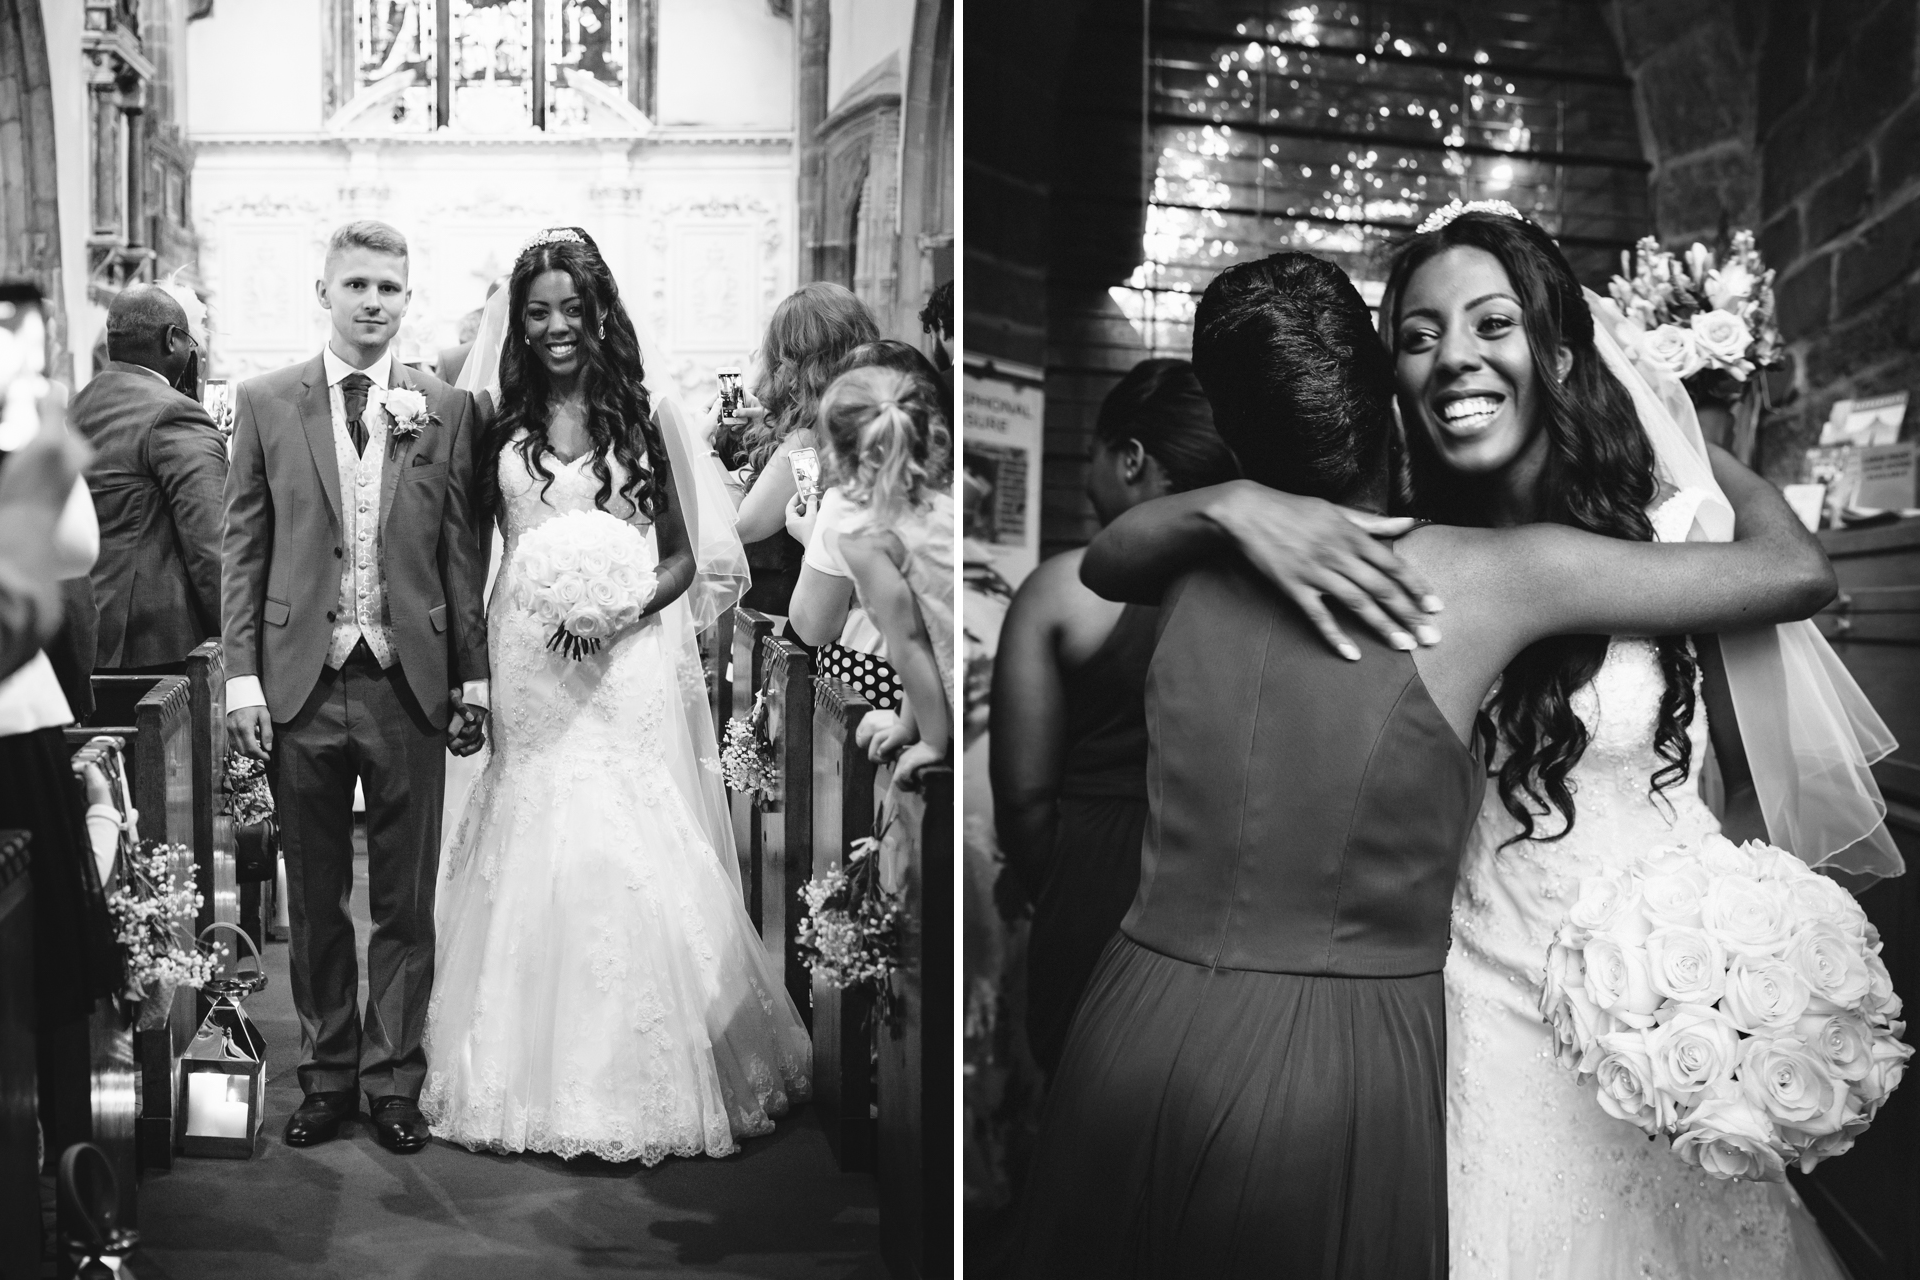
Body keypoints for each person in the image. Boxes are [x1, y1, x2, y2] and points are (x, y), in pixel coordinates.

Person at [1013, 251, 1837, 1277]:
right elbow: (1796, 568)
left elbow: (1102, 556)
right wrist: (1678, 428)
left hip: (1128, 1016)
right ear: (1380, 389)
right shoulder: (1493, 575)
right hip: (1331, 1057)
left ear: (1231, 430)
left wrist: (1224, 505)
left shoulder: (1181, 561)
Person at [425, 226, 809, 1164]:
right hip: (527, 656)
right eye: (538, 312)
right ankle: (518, 1069)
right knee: (529, 818)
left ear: (601, 311)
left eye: (572, 307)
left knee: (628, 823)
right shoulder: (496, 420)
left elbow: (690, 555)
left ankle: (650, 1063)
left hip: (622, 653)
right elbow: (471, 554)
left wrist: (624, 606)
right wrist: (474, 670)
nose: (557, 326)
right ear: (517, 323)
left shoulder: (645, 413)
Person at [221, 219, 492, 1155]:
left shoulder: (445, 408)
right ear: (325, 293)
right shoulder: (263, 401)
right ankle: (327, 1073)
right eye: (358, 286)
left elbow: (463, 553)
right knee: (319, 896)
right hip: (301, 681)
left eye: (390, 288)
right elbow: (243, 549)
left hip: (407, 680)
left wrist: (475, 678)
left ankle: (393, 1079)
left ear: (408, 299)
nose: (374, 302)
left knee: (405, 901)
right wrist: (241, 682)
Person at [989, 358, 1237, 1078]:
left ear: (1130, 458)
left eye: (1091, 454)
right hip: (1218, 877)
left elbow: (1025, 798)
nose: (1084, 475)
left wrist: (1063, 888)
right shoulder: (1262, 588)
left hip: (1095, 876)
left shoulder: (1062, 592)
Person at [785, 339, 949, 714]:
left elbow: (812, 625)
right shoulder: (950, 494)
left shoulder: (849, 502)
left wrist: (811, 538)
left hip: (867, 690)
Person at [72, 285, 229, 675]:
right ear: (172, 339)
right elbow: (212, 546)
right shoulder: (174, 414)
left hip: (84, 638)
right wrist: (244, 643)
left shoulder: (77, 406)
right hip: (155, 646)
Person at [816, 365, 955, 786]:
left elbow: (910, 645)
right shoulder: (941, 507)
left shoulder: (866, 541)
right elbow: (927, 633)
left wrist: (931, 743)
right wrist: (907, 726)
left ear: (839, 455)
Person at [712, 281, 879, 618]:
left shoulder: (809, 439)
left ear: (796, 357)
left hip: (800, 604)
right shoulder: (862, 416)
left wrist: (704, 446)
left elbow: (740, 525)